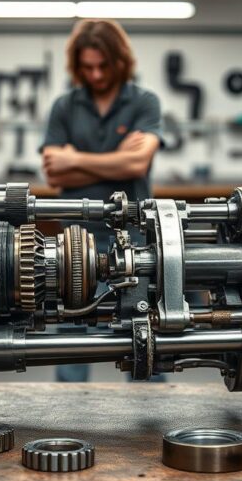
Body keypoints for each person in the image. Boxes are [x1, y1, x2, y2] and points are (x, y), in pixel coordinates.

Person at [40, 19, 162, 382]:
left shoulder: (144, 102)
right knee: (72, 331)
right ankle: (67, 421)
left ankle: (152, 414)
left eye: (103, 65)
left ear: (119, 60)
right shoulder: (64, 106)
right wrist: (116, 161)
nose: (95, 74)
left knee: (142, 327)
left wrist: (75, 158)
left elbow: (139, 162)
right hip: (76, 239)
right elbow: (53, 174)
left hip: (134, 234)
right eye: (87, 66)